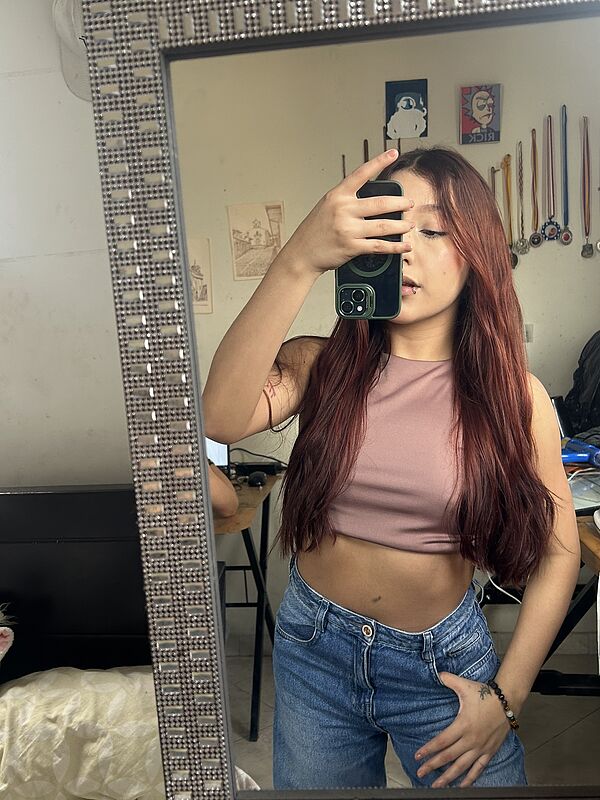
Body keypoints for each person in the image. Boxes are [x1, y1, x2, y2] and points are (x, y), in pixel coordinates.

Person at [202, 147, 580, 789]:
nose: (404, 250)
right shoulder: (320, 365)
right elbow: (219, 416)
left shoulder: (515, 397)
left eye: (432, 231)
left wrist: (507, 698)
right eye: (389, 231)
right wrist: (299, 259)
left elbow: (558, 553)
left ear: (476, 252)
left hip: (441, 666)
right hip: (314, 651)